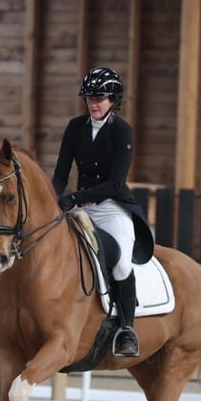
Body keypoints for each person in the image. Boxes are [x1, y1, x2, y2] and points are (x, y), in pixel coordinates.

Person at [52, 66, 154, 357]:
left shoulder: (123, 131)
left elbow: (114, 183)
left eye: (100, 98)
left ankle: (127, 328)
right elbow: (61, 173)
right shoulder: (75, 127)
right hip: (79, 207)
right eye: (90, 98)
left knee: (121, 265)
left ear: (113, 100)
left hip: (112, 208)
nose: (94, 104)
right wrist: (52, 199)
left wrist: (76, 197)